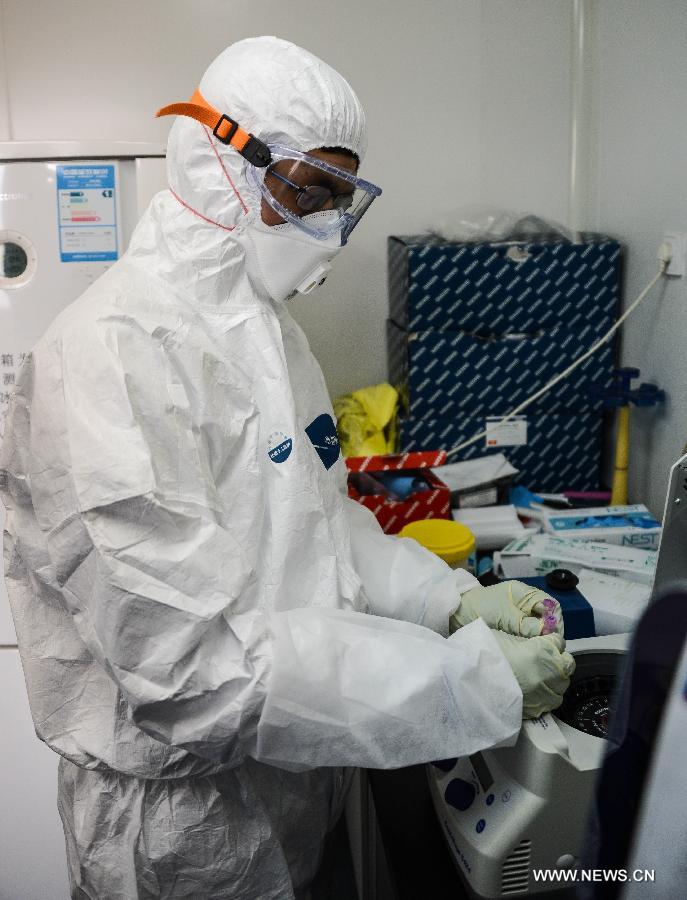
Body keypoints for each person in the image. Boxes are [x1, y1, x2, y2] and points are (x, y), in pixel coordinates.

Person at [0, 36, 574, 900]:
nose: (327, 228)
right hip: (180, 832)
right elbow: (190, 674)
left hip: (295, 775)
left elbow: (316, 519)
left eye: (343, 199)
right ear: (214, 160)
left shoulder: (269, 335)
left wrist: (444, 600)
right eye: (309, 191)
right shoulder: (105, 360)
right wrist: (469, 681)